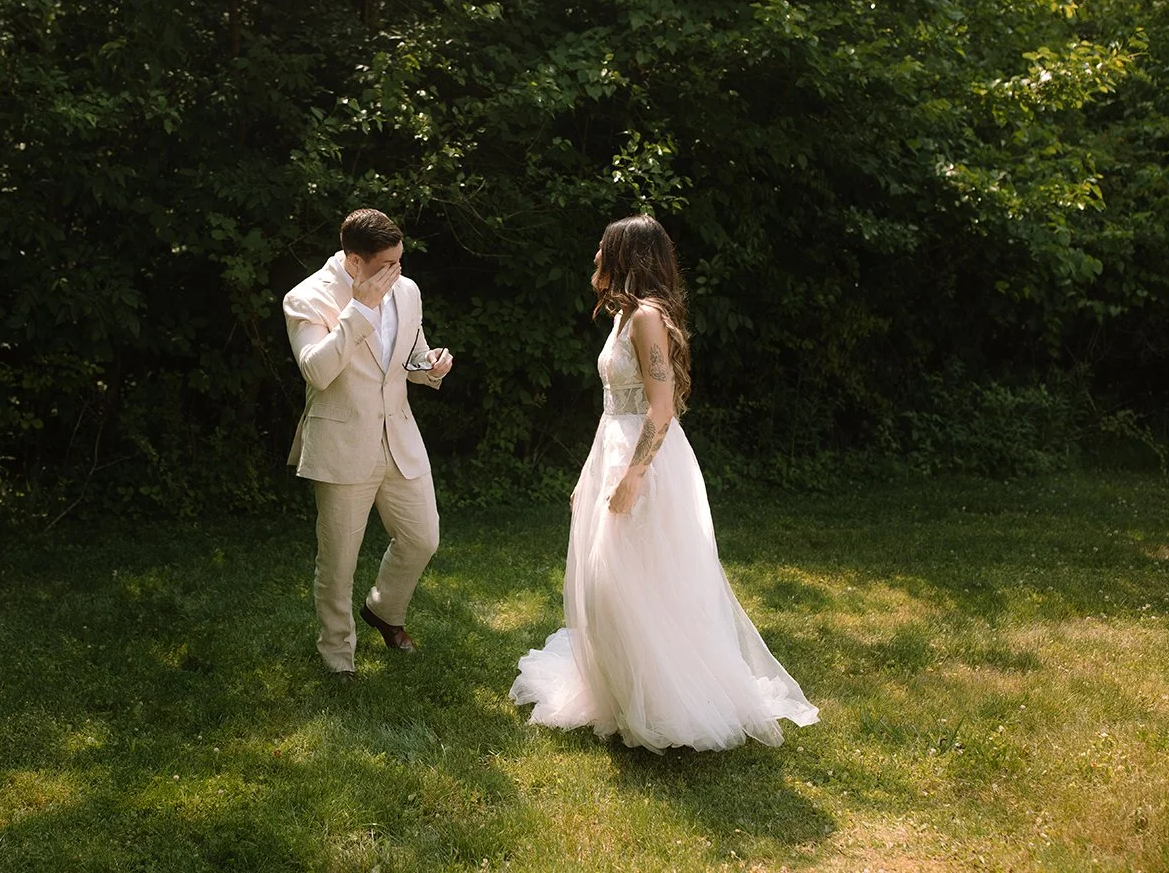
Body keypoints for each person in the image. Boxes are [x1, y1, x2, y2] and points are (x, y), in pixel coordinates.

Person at [509, 214, 818, 751]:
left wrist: (633, 476)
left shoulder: (647, 319)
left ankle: (666, 701)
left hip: (646, 463)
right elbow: (613, 408)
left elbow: (662, 406)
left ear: (627, 257)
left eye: (604, 251)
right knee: (609, 582)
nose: (597, 261)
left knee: (636, 580)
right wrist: (593, 473)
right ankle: (624, 693)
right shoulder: (623, 316)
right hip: (613, 450)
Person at [283, 209, 455, 680]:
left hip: (399, 437)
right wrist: (358, 310)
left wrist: (430, 366)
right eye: (386, 265)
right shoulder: (307, 297)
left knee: (423, 537)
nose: (397, 274)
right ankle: (337, 656)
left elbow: (410, 359)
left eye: (400, 262)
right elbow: (317, 371)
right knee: (338, 560)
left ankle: (383, 609)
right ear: (354, 261)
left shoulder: (408, 290)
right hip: (341, 441)